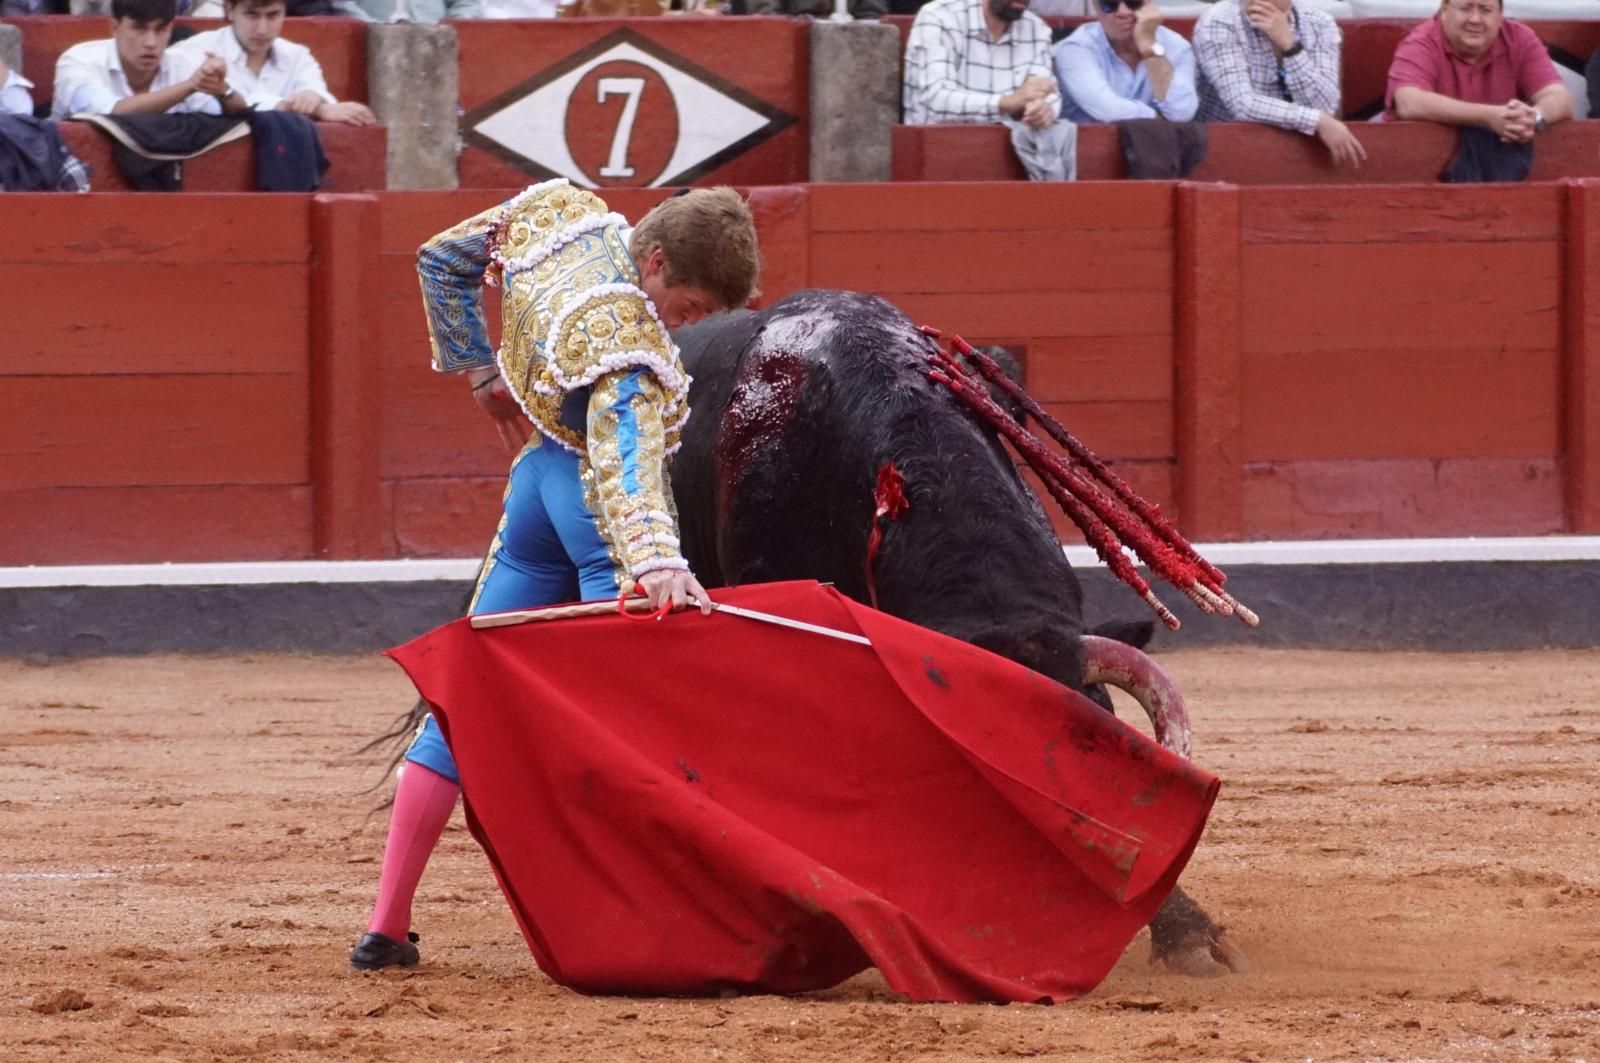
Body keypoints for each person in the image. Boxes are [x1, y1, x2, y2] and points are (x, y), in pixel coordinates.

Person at [348, 181, 762, 972]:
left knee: (460, 705)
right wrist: (657, 562)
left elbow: (442, 259)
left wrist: (479, 371)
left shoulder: (559, 212)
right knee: (634, 726)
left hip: (534, 488)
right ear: (657, 260)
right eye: (690, 304)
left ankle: (386, 924)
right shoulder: (629, 342)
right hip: (593, 518)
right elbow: (626, 462)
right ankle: (645, 925)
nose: (689, 325)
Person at [903, 0, 1079, 181]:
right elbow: (936, 100)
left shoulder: (1036, 27)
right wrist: (1008, 102)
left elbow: (1046, 91)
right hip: (936, 162)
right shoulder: (939, 15)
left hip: (1012, 165)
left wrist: (1043, 110)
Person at [1192, 0, 1366, 169]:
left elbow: (1325, 106)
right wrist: (1315, 120)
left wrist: (1289, 44)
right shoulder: (1219, 20)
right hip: (1226, 153)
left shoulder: (1319, 23)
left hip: (1301, 153)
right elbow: (1243, 105)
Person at [1386, 0, 1572, 141]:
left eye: (1486, 10)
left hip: (1505, 163)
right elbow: (1409, 103)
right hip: (1422, 162)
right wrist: (1489, 117)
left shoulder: (1520, 38)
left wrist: (1533, 118)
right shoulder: (1421, 42)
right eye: (1465, 8)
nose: (1475, 19)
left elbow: (1560, 98)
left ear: (1500, 15)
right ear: (1443, 10)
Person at [170, 0, 377, 125]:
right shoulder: (195, 50)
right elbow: (213, 108)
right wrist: (313, 109)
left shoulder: (296, 56)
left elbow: (316, 92)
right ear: (230, 10)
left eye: (273, 15)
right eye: (252, 15)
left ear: (284, 12)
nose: (262, 29)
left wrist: (315, 100)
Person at [51, 0, 246, 118]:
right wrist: (190, 86)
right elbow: (112, 114)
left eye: (160, 30)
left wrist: (222, 91)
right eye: (139, 28)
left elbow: (232, 116)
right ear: (114, 28)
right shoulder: (78, 61)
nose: (151, 42)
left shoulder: (183, 63)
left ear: (171, 28)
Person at [1054, 0, 1198, 123]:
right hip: (1089, 150)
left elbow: (1182, 112)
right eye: (1109, 4)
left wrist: (1149, 44)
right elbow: (1110, 110)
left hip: (1161, 151)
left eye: (1133, 1)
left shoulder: (1176, 45)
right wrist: (1157, 119)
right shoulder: (1076, 48)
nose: (1123, 12)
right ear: (1095, 7)